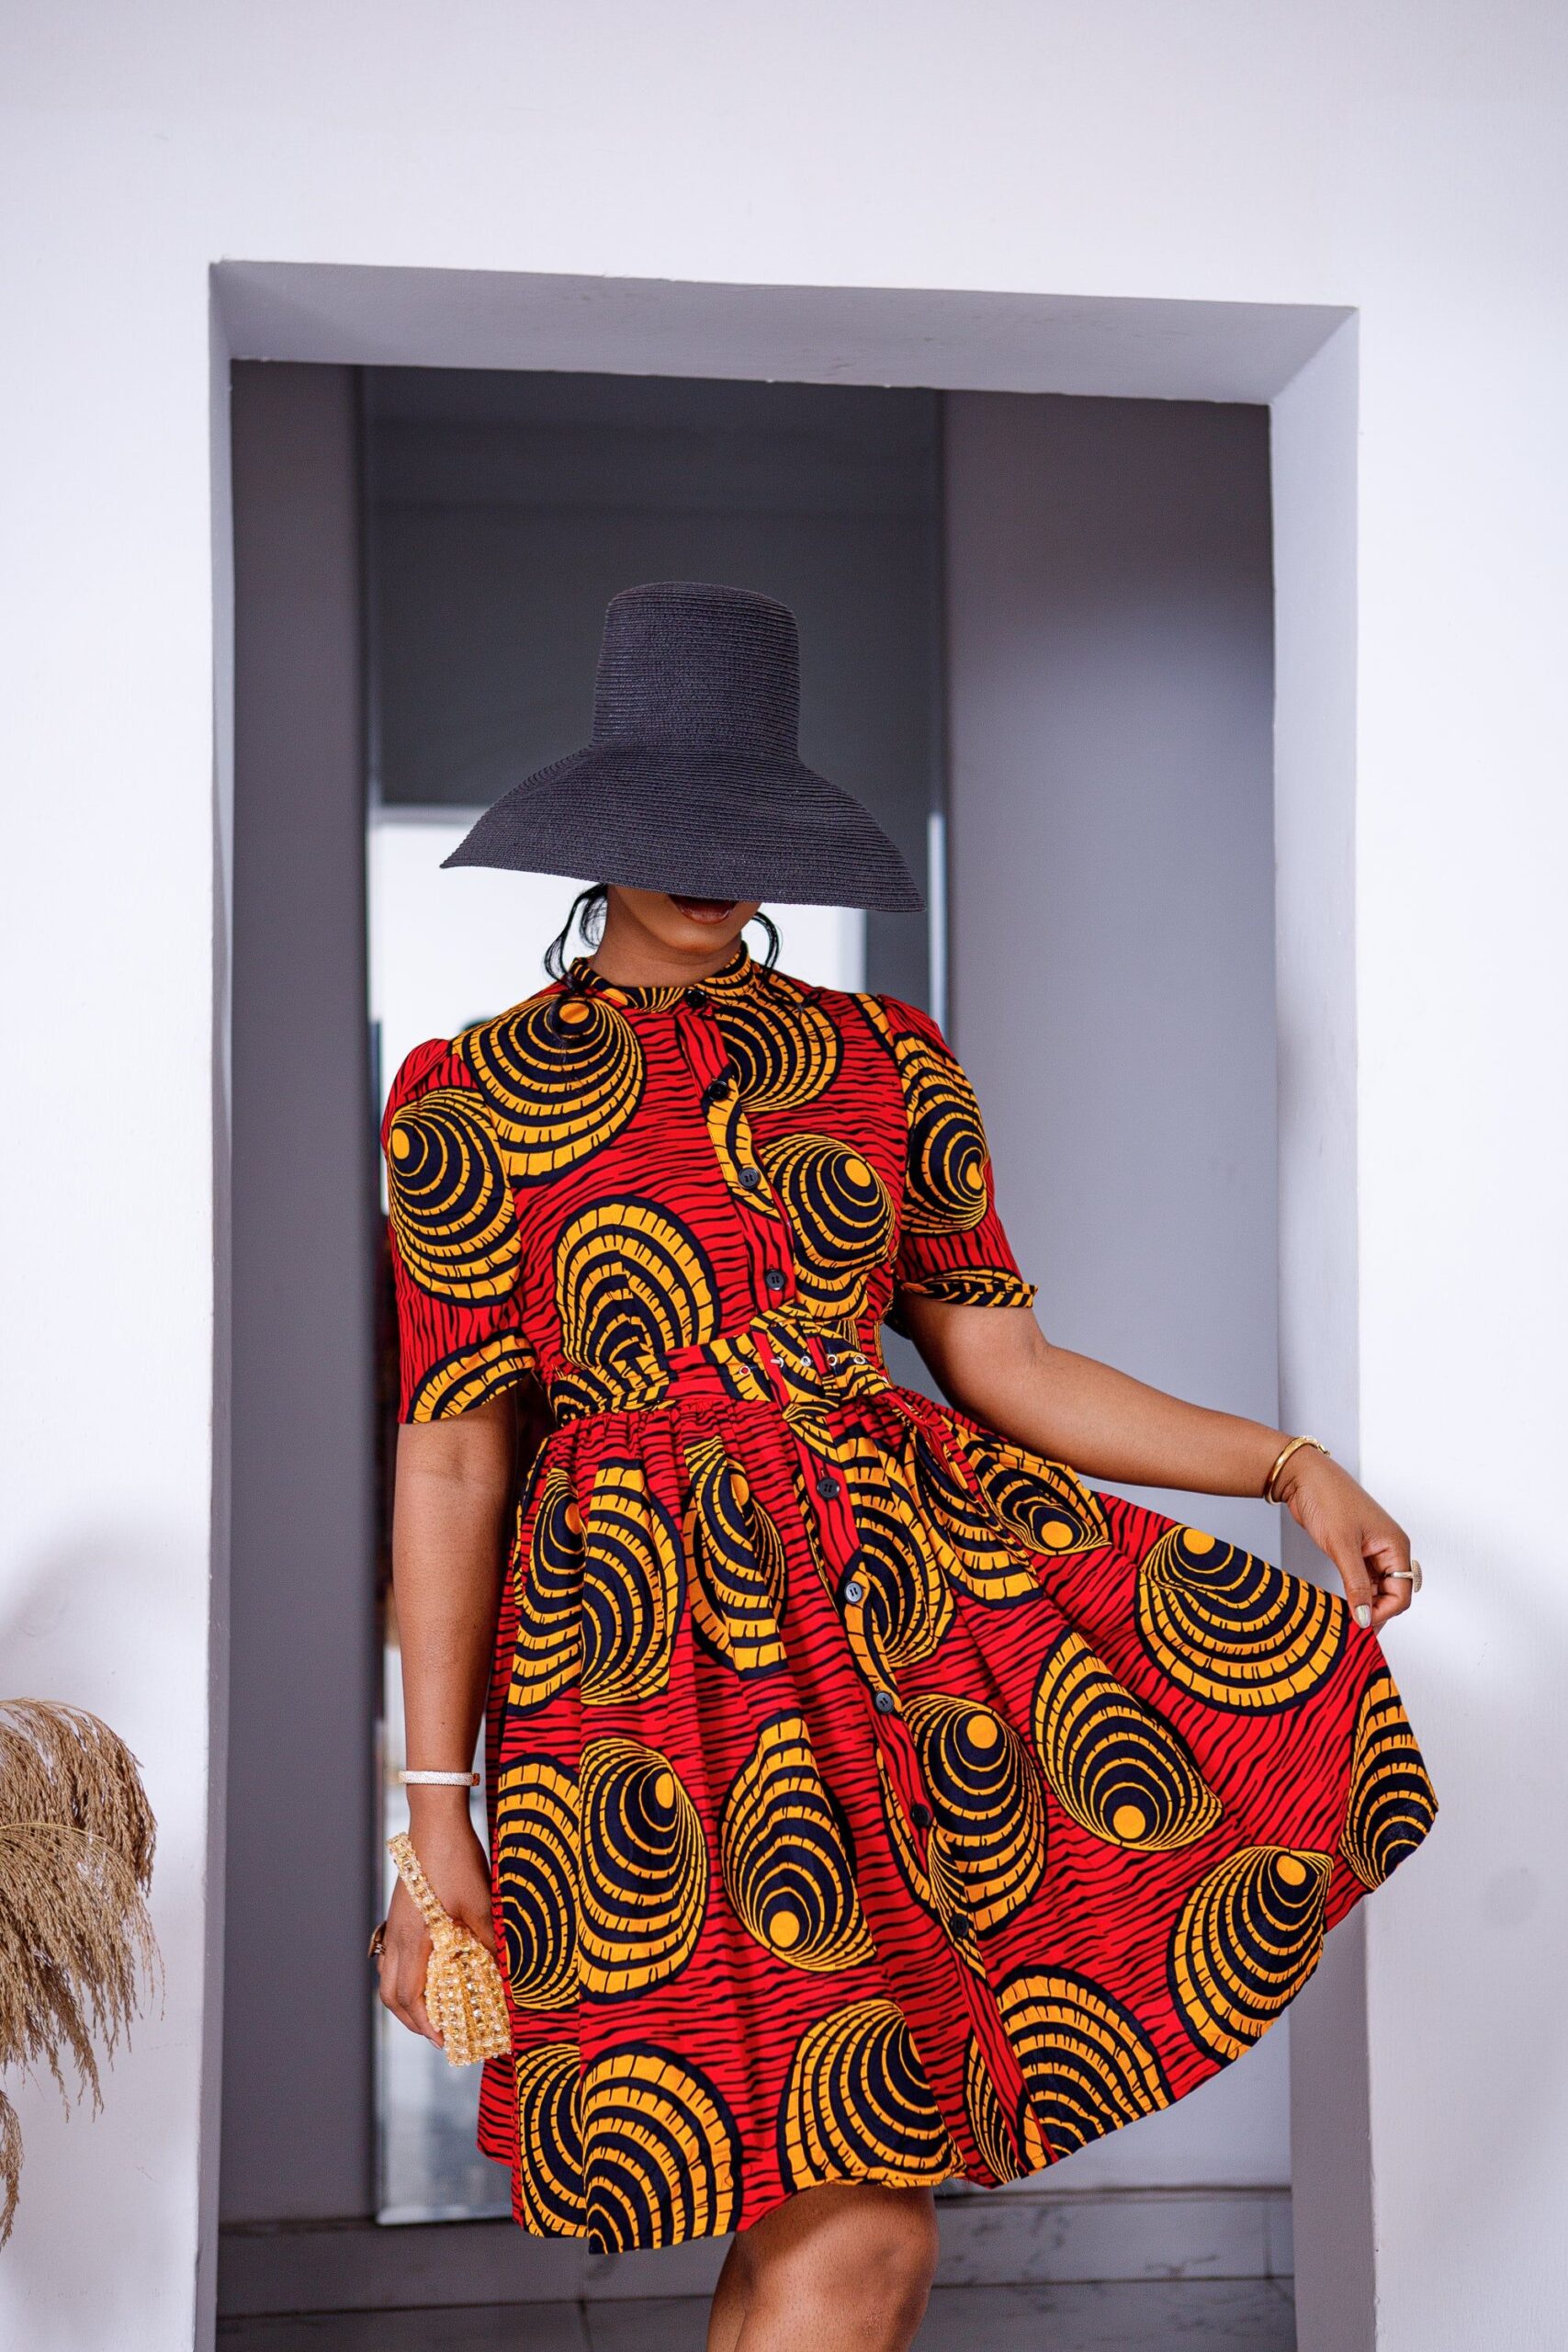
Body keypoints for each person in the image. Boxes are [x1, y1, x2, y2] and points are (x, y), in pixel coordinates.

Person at [374, 582, 1434, 2352]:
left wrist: (1288, 1468)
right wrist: (432, 1816)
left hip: (898, 1656)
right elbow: (453, 1467)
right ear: (597, 827)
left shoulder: (886, 1063)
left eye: (747, 830)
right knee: (841, 2228)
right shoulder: (465, 1096)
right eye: (676, 825)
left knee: (841, 2218)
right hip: (636, 1693)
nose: (713, 869)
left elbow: (1008, 1367)